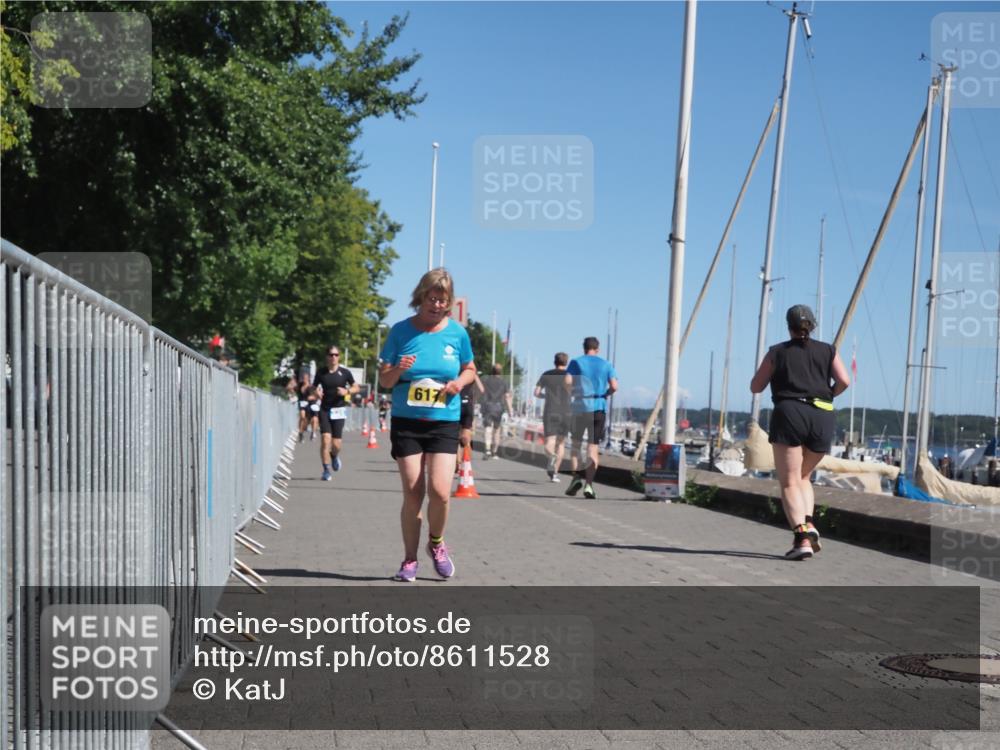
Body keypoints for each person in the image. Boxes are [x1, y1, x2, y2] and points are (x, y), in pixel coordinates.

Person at [379, 268, 475, 582]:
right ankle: (409, 560)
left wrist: (459, 383)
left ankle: (436, 543)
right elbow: (384, 380)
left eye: (443, 302)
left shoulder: (457, 333)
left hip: (444, 422)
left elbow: (470, 369)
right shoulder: (400, 331)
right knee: (413, 492)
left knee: (440, 492)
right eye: (432, 299)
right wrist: (399, 369)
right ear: (421, 296)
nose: (436, 306)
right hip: (407, 421)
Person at [750, 304, 850, 560]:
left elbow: (756, 386)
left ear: (789, 326)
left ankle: (801, 538)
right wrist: (827, 393)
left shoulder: (777, 352)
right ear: (813, 325)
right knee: (804, 476)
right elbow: (844, 381)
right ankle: (810, 523)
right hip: (822, 416)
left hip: (790, 413)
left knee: (789, 481)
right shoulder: (828, 350)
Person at [564, 337, 618, 499]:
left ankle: (575, 478)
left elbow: (567, 382)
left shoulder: (576, 362)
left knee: (575, 445)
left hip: (580, 407)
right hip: (598, 407)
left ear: (584, 348)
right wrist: (605, 394)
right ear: (597, 349)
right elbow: (614, 386)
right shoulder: (606, 364)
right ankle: (589, 485)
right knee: (592, 447)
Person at [314, 347, 359, 480]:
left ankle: (334, 456)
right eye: (331, 354)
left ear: (338, 357)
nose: (333, 357)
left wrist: (347, 392)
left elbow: (356, 387)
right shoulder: (321, 372)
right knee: (325, 439)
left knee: (336, 444)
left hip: (339, 410)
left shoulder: (345, 373)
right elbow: (313, 387)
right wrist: (315, 392)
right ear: (327, 357)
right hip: (325, 409)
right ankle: (326, 470)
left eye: (336, 354)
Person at [534, 352, 571, 482]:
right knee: (561, 443)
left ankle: (552, 456)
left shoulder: (546, 374)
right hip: (566, 412)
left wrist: (545, 396)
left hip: (550, 410)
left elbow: (536, 393)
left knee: (549, 441)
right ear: (566, 362)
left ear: (554, 361)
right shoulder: (569, 376)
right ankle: (554, 474)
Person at [480, 363, 512, 459]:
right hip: (499, 408)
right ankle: (494, 452)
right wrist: (510, 410)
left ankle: (487, 449)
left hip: (488, 406)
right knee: (497, 430)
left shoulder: (486, 380)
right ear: (500, 372)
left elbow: (481, 392)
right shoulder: (504, 382)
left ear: (492, 371)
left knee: (488, 429)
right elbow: (507, 397)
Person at [457, 371, 486, 473]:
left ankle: (457, 462)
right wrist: (474, 398)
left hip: (455, 403)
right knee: (466, 436)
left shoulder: (455, 367)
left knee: (455, 436)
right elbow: (482, 389)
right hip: (468, 404)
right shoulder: (472, 373)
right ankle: (466, 464)